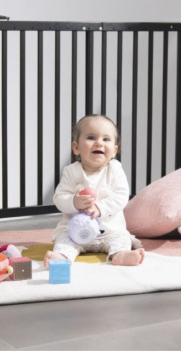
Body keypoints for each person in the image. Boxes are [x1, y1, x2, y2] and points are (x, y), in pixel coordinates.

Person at [44, 114, 145, 267]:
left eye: (106, 139)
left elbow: (121, 196)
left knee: (122, 238)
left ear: (114, 151)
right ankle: (62, 256)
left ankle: (120, 255)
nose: (99, 143)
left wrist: (99, 208)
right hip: (74, 233)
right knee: (63, 240)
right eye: (91, 138)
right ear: (76, 147)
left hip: (109, 231)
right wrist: (74, 202)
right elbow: (59, 198)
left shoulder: (115, 170)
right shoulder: (71, 171)